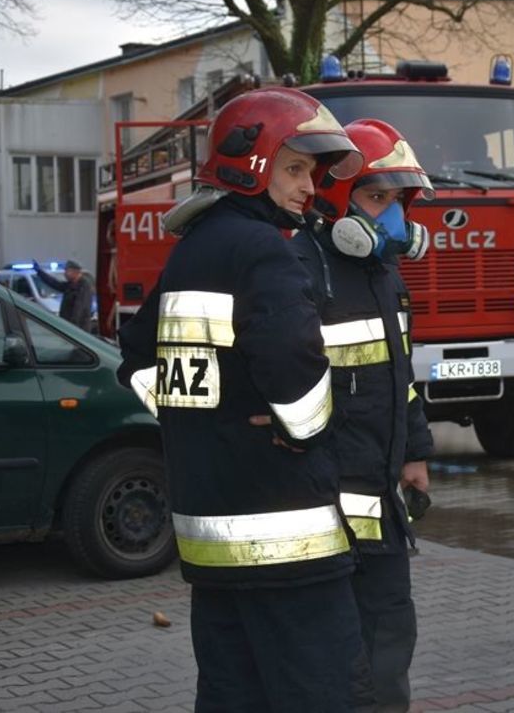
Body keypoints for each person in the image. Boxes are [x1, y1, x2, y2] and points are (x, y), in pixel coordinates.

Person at [115, 87, 366, 712]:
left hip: (209, 537)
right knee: (320, 690)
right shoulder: (263, 253)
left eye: (311, 172)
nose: (310, 187)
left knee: (232, 693)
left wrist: (195, 419)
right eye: (295, 168)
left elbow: (137, 361)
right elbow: (296, 372)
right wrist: (302, 432)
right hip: (287, 535)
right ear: (250, 161)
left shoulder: (192, 251)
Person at [291, 118, 434, 713]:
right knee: (335, 647)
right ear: (334, 200)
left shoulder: (383, 274)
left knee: (389, 635)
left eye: (400, 201)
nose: (393, 218)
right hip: (328, 498)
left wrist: (416, 453)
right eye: (377, 199)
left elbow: (399, 380)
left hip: (381, 492)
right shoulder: (301, 269)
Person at [33, 259, 94, 331]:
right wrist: (40, 272)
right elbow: (55, 283)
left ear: (75, 272)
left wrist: (72, 327)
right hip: (68, 326)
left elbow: (79, 308)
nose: (65, 273)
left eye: (67, 271)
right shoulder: (70, 284)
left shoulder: (83, 286)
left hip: (78, 328)